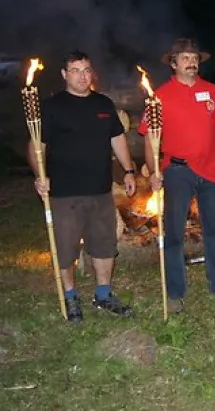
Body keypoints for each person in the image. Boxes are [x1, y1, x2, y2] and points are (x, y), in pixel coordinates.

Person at [30, 51, 136, 323]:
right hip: (65, 192)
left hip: (100, 189)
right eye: (75, 70)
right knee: (65, 247)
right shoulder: (52, 107)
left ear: (93, 73)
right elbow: (36, 146)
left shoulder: (103, 103)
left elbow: (117, 139)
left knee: (104, 244)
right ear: (65, 75)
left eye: (87, 70)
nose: (82, 76)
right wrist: (39, 176)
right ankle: (70, 295)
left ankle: (103, 294)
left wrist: (129, 170)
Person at [138, 38, 215, 315]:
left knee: (214, 230)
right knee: (173, 233)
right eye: (185, 58)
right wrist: (153, 172)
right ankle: (175, 292)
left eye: (194, 57)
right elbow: (149, 139)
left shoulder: (212, 92)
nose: (191, 62)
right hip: (177, 171)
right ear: (173, 63)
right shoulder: (159, 96)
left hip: (210, 171)